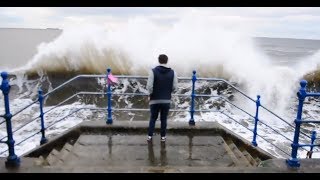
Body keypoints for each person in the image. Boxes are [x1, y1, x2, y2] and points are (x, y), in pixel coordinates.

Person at [146, 54, 178, 142]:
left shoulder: (153, 71)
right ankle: (163, 137)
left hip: (154, 100)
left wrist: (150, 94)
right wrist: (168, 92)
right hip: (166, 100)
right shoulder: (173, 72)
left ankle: (149, 136)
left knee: (153, 118)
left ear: (159, 60)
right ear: (167, 61)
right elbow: (175, 87)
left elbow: (149, 86)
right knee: (163, 119)